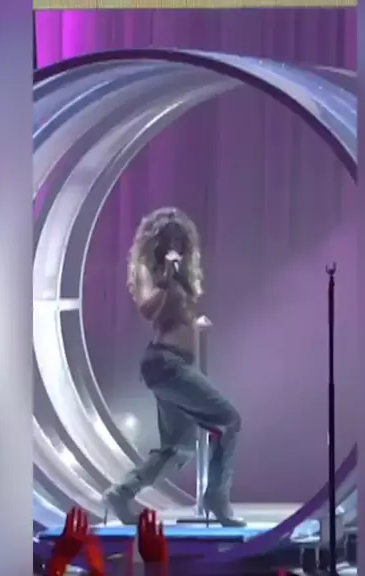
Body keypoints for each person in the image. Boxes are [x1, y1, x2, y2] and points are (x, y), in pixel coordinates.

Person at [104, 207, 245, 527]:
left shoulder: (182, 275)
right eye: (168, 240)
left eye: (180, 241)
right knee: (229, 420)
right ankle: (217, 496)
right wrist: (166, 280)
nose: (175, 247)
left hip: (175, 363)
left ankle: (122, 493)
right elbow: (147, 309)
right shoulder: (148, 271)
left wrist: (194, 322)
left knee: (179, 448)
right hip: (165, 363)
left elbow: (178, 315)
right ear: (156, 243)